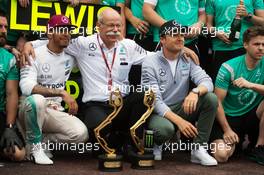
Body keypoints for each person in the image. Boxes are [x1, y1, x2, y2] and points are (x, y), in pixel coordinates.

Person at [141, 20, 218, 166]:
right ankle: (157, 143)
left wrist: (195, 92)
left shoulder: (187, 57)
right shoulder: (150, 62)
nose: (180, 38)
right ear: (162, 39)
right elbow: (155, 101)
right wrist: (180, 122)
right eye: (174, 34)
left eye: (182, 34)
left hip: (180, 107)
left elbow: (207, 82)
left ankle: (198, 149)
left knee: (210, 99)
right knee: (164, 130)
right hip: (157, 112)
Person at [18, 15, 88, 165]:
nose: (66, 33)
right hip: (29, 108)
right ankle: (34, 148)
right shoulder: (32, 53)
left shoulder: (71, 55)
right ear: (49, 33)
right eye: (61, 29)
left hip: (53, 110)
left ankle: (43, 141)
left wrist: (30, 42)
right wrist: (61, 92)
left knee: (81, 134)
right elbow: (26, 88)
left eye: (68, 30)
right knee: (37, 100)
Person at [210, 26, 264, 165]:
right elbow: (217, 102)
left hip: (253, 117)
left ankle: (259, 147)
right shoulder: (228, 67)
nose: (261, 48)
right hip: (230, 119)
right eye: (256, 44)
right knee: (221, 155)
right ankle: (237, 144)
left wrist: (251, 85)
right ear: (245, 45)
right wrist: (227, 130)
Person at [206, 0, 264, 81]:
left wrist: (248, 15)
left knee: (245, 85)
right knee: (220, 85)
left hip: (247, 48)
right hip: (221, 48)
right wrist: (216, 33)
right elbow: (207, 26)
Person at [0, 9, 25, 162]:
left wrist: (9, 127)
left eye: (5, 27)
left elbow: (11, 94)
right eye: (0, 27)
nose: (4, 31)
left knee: (17, 154)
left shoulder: (9, 59)